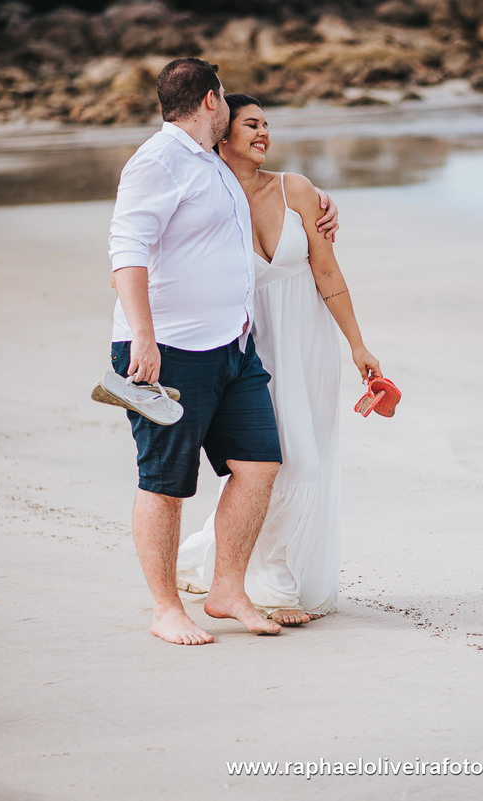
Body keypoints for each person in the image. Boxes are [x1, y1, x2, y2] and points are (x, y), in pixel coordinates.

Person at [108, 58, 338, 645]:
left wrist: (319, 199)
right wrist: (143, 338)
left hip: (233, 346)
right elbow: (126, 252)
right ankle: (165, 609)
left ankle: (227, 590)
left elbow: (260, 184)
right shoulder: (157, 162)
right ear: (212, 101)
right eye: (226, 99)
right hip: (171, 350)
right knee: (165, 482)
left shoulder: (210, 161)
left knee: (259, 464)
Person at [175, 93, 382, 626]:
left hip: (308, 342)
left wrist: (357, 344)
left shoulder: (298, 190)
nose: (264, 133)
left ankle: (249, 567)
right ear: (221, 134)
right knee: (270, 462)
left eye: (267, 124)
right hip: (247, 347)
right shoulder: (206, 197)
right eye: (251, 124)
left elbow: (327, 271)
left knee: (308, 457)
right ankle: (270, 582)